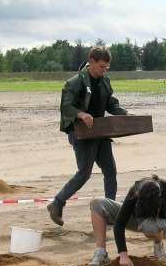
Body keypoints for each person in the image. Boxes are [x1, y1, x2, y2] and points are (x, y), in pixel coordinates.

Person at [47, 45, 128, 226]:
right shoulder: (75, 82)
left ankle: (110, 211)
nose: (104, 70)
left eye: (107, 67)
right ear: (91, 62)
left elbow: (111, 103)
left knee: (110, 171)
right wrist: (81, 114)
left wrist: (125, 114)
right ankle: (57, 203)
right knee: (84, 173)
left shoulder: (105, 81)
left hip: (101, 132)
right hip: (82, 134)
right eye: (101, 66)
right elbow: (66, 107)